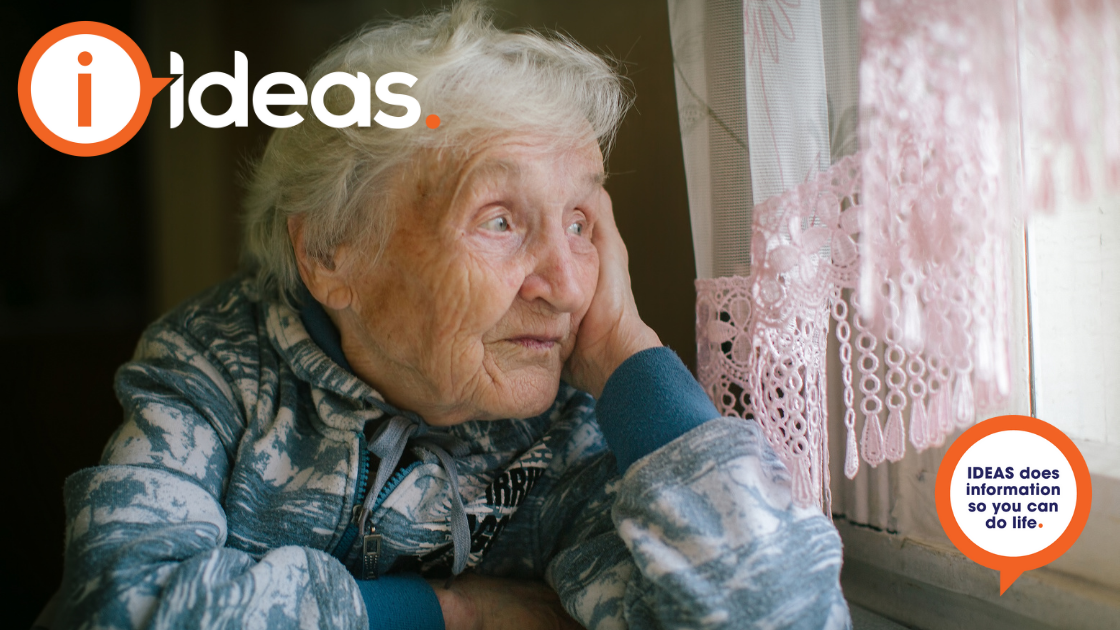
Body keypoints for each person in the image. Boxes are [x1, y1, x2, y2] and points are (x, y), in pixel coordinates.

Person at [54, 4, 851, 629]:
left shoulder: (573, 426)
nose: (568, 288)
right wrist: (451, 612)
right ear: (331, 253)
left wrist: (629, 357)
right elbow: (123, 609)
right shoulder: (217, 366)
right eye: (500, 219)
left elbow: (781, 618)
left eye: (580, 221)